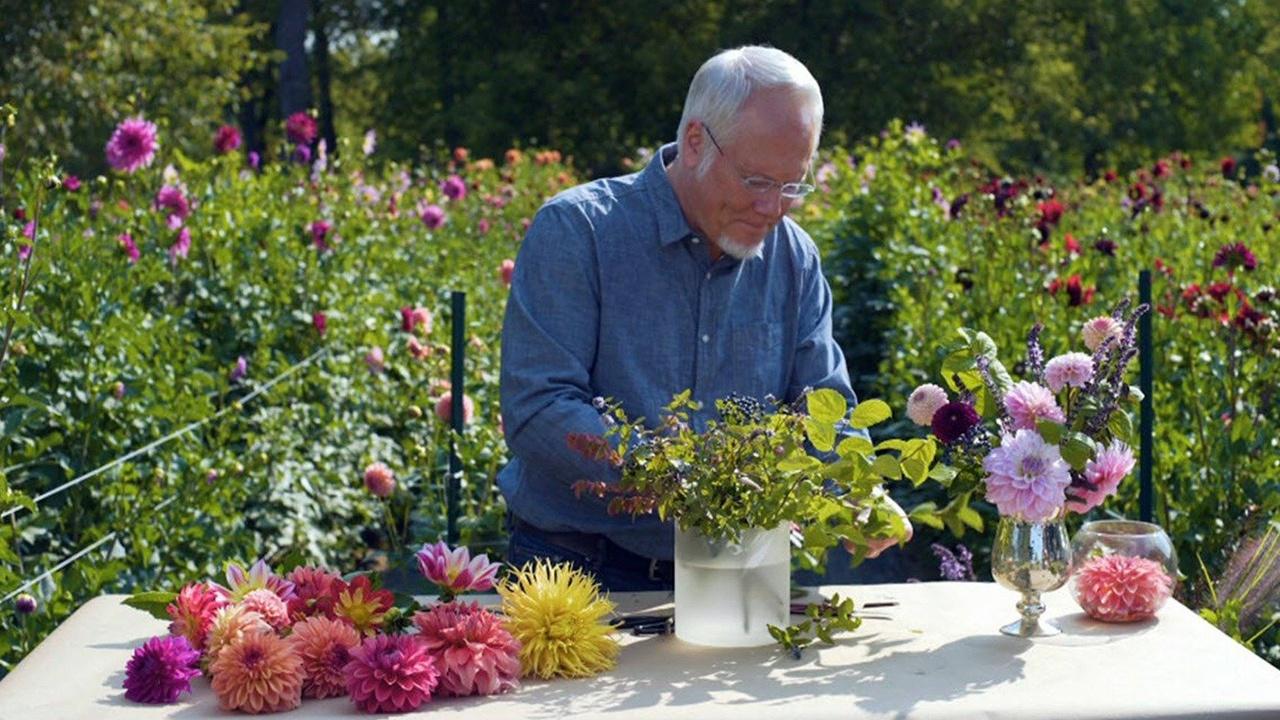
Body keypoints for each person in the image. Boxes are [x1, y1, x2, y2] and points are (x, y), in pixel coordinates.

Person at [498, 45, 904, 591]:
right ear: (695, 142)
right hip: (578, 569)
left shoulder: (794, 258)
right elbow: (538, 408)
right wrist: (685, 480)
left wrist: (858, 489)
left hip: (737, 572)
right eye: (758, 182)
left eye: (794, 186)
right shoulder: (580, 232)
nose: (774, 208)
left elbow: (824, 410)